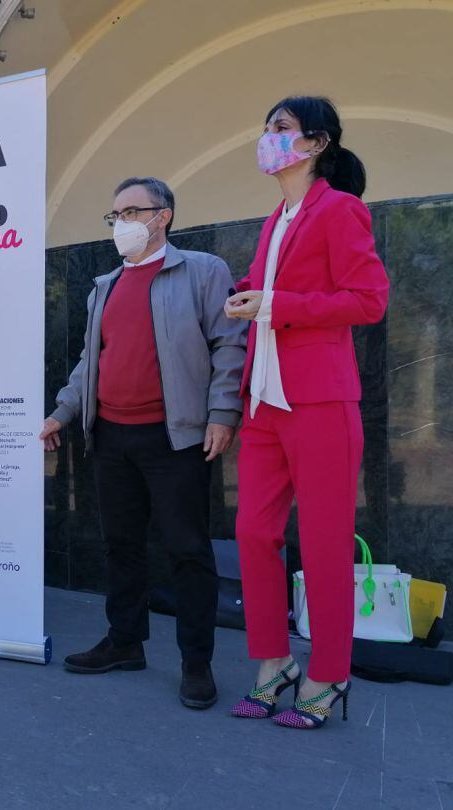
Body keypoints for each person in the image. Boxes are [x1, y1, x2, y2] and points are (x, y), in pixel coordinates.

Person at [40, 177, 247, 709]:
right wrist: (62, 412)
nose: (122, 223)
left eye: (133, 211)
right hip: (111, 436)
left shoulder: (202, 270)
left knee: (188, 551)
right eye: (115, 215)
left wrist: (223, 414)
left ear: (164, 216)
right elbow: (92, 361)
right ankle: (125, 641)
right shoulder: (104, 285)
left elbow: (228, 345)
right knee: (121, 546)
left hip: (174, 437)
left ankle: (196, 662)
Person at [225, 97, 388, 728]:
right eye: (265, 128)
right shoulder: (276, 220)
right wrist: (252, 301)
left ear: (315, 143)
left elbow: (368, 300)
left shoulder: (340, 210)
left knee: (322, 543)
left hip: (319, 399)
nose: (268, 139)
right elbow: (272, 300)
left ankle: (328, 673)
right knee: (252, 534)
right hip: (265, 401)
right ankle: (273, 663)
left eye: (281, 129)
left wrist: (274, 302)